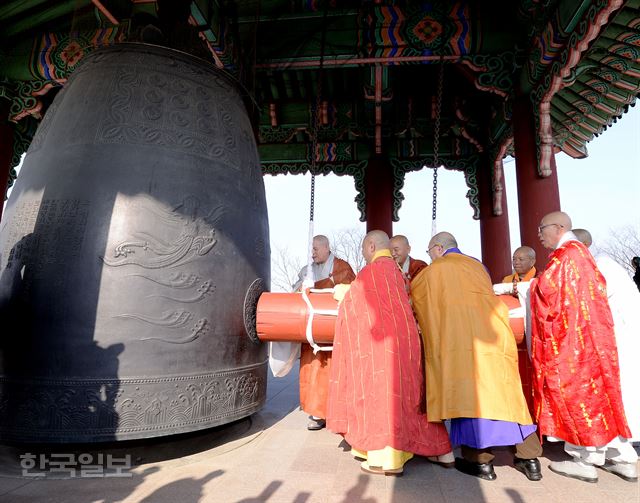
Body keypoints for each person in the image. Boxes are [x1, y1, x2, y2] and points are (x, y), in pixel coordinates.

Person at [411, 232, 543, 482]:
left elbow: (417, 299)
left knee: (470, 397)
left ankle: (481, 461)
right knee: (507, 394)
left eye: (430, 252)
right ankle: (530, 458)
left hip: (462, 344)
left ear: (438, 248)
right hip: (494, 337)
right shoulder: (478, 265)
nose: (430, 257)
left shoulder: (433, 272)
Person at [327, 230, 453, 476]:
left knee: (383, 396)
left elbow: (355, 305)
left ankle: (386, 458)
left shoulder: (372, 271)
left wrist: (343, 293)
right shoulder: (397, 272)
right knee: (412, 396)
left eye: (364, 250)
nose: (364, 256)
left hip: (382, 347)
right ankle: (441, 451)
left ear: (371, 246)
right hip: (408, 342)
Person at [530, 213, 635, 483]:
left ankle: (585, 459)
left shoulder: (567, 256)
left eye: (542, 229)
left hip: (574, 341)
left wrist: (529, 287)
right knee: (605, 395)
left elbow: (547, 292)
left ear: (559, 228)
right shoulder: (582, 255)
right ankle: (622, 457)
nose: (539, 234)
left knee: (580, 397)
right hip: (595, 337)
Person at [572, 229, 639, 447]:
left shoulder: (598, 266)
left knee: (613, 394)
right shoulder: (607, 265)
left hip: (616, 339)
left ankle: (603, 449)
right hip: (621, 336)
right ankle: (623, 451)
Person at [292, 235, 356, 431]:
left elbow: (351, 292)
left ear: (327, 247)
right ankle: (318, 413)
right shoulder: (307, 270)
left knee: (336, 372)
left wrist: (323, 285)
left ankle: (340, 413)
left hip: (335, 331)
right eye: (311, 249)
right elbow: (295, 291)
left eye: (316, 249)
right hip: (312, 332)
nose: (313, 253)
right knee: (313, 372)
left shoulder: (342, 268)